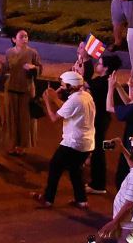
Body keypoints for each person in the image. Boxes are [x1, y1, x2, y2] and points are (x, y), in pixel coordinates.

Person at [37, 70, 96, 208]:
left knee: (55, 167)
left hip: (73, 142)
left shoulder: (75, 100)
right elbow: (67, 107)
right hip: (87, 143)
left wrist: (48, 100)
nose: (61, 87)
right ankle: (81, 200)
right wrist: (57, 97)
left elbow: (53, 118)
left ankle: (48, 199)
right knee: (75, 170)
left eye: (63, 85)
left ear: (70, 87)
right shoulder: (86, 96)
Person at [2, 29, 43, 155]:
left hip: (26, 90)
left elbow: (40, 69)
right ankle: (12, 143)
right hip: (11, 89)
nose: (25, 39)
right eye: (21, 37)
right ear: (14, 39)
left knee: (25, 120)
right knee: (11, 118)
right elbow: (5, 69)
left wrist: (33, 68)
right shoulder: (9, 52)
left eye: (26, 36)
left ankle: (22, 145)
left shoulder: (32, 53)